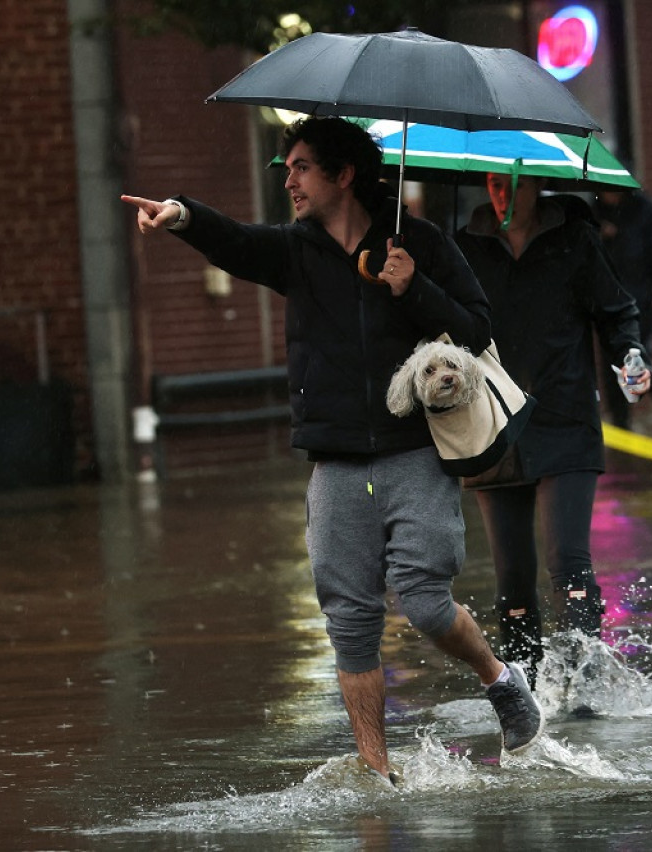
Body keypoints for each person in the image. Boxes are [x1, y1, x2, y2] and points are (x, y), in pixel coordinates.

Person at [121, 117, 543, 782]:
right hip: (335, 460)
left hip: (416, 453)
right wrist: (181, 215)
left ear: (342, 176)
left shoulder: (420, 243)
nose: (288, 180)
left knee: (428, 604)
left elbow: (478, 329)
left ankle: (499, 678)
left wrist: (414, 288)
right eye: (286, 169)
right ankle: (379, 774)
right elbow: (235, 242)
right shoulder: (296, 250)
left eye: (301, 168)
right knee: (350, 621)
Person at [453, 173, 650, 691]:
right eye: (491, 183)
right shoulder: (461, 249)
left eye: (511, 184)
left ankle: (584, 687)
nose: (499, 195)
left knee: (570, 566)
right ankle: (528, 692)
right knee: (513, 582)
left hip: (564, 417)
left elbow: (616, 310)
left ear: (534, 184)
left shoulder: (573, 240)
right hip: (493, 427)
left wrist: (629, 355)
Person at [593, 189, 652, 431]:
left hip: (640, 298)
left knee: (636, 357)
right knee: (612, 360)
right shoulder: (597, 211)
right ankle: (622, 419)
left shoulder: (645, 210)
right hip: (609, 298)